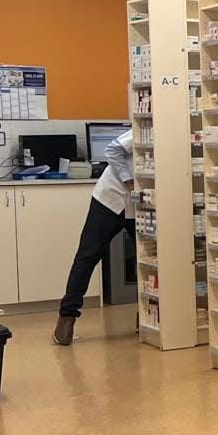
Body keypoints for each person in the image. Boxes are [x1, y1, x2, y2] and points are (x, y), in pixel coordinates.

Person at [53, 130, 135, 346]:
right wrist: (128, 179)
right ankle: (67, 316)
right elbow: (113, 150)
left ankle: (148, 314)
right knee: (88, 255)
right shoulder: (145, 128)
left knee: (149, 260)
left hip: (139, 205)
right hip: (110, 198)